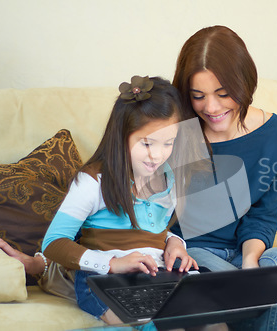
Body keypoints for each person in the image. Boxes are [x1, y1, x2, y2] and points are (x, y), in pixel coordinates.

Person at [170, 25, 277, 306]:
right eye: (198, 96)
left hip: (243, 251)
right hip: (192, 254)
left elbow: (264, 214)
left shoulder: (276, 134)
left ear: (244, 82)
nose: (211, 107)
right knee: (240, 290)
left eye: (223, 93)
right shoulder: (172, 132)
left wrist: (250, 260)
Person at [40, 75, 198, 325]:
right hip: (106, 280)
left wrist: (176, 244)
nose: (157, 155)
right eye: (146, 143)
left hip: (157, 275)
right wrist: (113, 264)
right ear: (122, 135)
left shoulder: (171, 178)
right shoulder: (93, 182)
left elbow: (155, 229)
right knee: (154, 323)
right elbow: (53, 243)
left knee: (213, 320)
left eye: (168, 143)